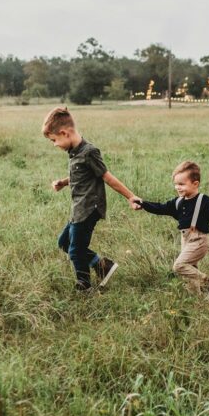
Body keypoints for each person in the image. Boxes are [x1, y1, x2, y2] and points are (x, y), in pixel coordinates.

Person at [42, 107, 138, 292]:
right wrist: (63, 182)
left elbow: (107, 177)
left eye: (54, 140)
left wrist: (131, 196)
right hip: (78, 209)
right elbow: (81, 175)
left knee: (75, 250)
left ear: (65, 133)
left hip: (89, 209)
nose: (54, 145)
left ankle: (84, 286)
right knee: (64, 243)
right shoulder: (75, 152)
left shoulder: (89, 151)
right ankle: (102, 265)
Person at [134, 161, 209, 298]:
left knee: (179, 266)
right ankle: (197, 299)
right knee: (191, 271)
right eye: (176, 184)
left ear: (195, 184)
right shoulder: (178, 202)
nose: (178, 187)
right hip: (185, 240)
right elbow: (160, 208)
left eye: (181, 184)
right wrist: (143, 203)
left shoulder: (203, 200)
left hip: (199, 240)